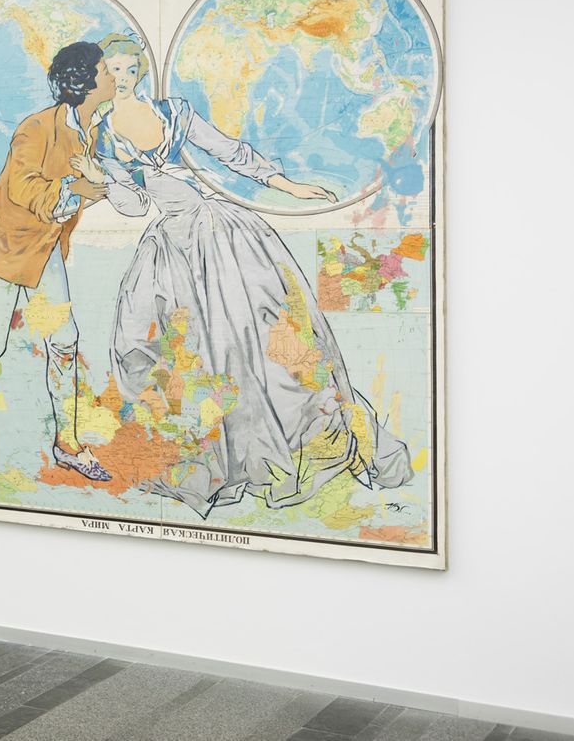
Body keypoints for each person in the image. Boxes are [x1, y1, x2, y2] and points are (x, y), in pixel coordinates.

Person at [74, 33, 412, 514]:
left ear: (141, 72)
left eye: (131, 69)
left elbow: (229, 151)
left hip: (223, 234)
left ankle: (290, 440)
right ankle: (223, 451)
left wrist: (287, 185)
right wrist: (105, 178)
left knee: (264, 332)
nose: (123, 78)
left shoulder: (173, 113)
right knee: (168, 342)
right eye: (113, 70)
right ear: (102, 75)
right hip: (173, 247)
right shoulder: (103, 134)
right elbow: (135, 206)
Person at [0, 41, 114, 482]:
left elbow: (88, 188)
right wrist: (75, 190)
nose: (114, 77)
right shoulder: (36, 128)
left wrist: (97, 188)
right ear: (85, 81)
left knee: (65, 341)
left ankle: (67, 444)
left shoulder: (92, 130)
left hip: (45, 247)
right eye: (106, 70)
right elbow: (22, 185)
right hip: (6, 247)